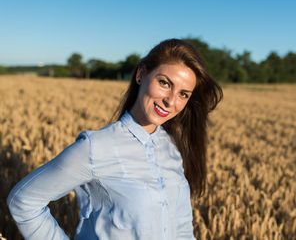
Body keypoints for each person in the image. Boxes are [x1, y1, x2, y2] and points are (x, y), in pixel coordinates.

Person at [7, 39, 223, 240]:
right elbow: (23, 201)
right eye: (165, 83)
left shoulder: (172, 149)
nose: (171, 101)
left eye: (183, 94)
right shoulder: (95, 148)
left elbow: (183, 229)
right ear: (141, 74)